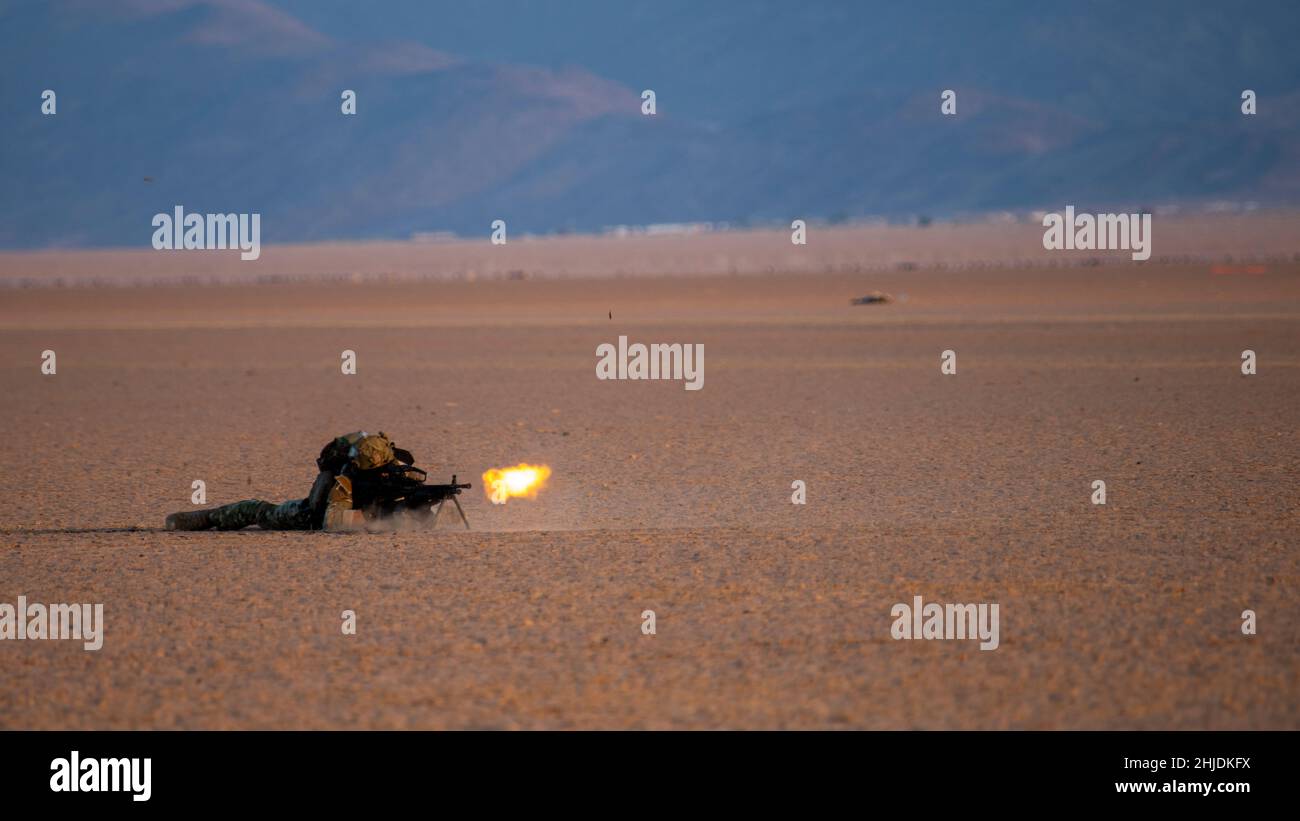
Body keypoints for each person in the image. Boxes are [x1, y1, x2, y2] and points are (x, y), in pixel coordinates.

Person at [164, 431, 422, 532]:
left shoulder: (395, 473)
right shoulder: (348, 479)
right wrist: (377, 516)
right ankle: (206, 518)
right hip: (314, 511)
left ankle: (208, 517)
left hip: (310, 514)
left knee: (256, 509)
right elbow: (333, 521)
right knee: (254, 511)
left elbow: (329, 523)